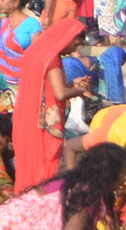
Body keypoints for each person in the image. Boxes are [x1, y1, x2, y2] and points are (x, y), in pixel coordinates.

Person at [11, 17, 90, 193]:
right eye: (75, 45)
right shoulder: (52, 58)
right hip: (43, 124)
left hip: (26, 117)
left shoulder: (37, 53)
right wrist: (78, 90)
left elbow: (45, 86)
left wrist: (72, 84)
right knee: (44, 166)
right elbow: (60, 93)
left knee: (28, 163)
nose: (73, 51)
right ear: (68, 38)